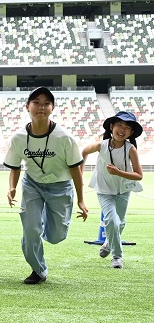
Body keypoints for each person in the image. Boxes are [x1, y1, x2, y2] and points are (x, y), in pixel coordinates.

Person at [4, 87, 88, 284]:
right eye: (36, 102)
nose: (41, 107)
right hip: (32, 185)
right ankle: (38, 269)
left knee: (57, 236)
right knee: (31, 230)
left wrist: (82, 200)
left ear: (52, 108)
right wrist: (12, 187)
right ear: (27, 107)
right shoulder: (18, 138)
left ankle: (39, 221)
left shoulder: (64, 137)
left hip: (60, 187)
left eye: (46, 103)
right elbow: (15, 166)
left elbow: (75, 169)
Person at [81, 111, 143, 269]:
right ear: (111, 127)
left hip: (123, 191)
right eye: (119, 125)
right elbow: (84, 152)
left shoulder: (130, 149)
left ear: (131, 133)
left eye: (127, 127)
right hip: (104, 191)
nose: (122, 129)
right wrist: (79, 174)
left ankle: (109, 242)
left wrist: (118, 172)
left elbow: (138, 175)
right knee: (112, 221)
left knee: (120, 223)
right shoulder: (101, 145)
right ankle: (117, 257)